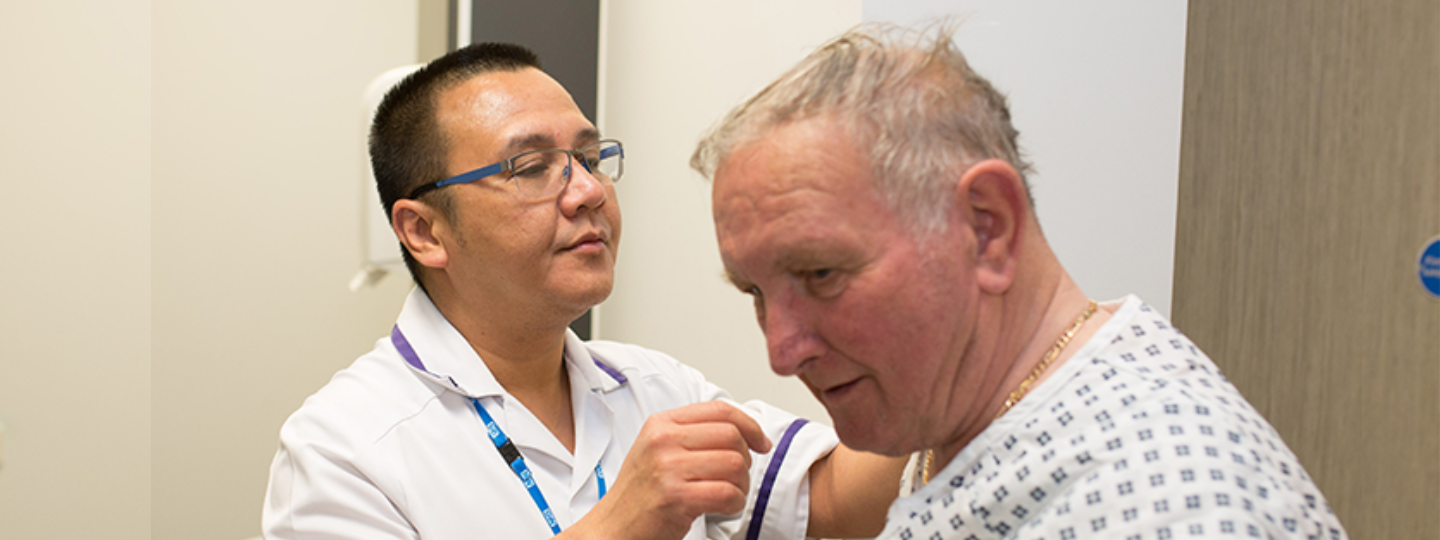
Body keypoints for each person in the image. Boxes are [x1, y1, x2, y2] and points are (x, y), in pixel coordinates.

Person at [695, 25, 1348, 540]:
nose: (781, 352)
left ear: (988, 227)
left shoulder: (1164, 507)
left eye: (821, 274)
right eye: (755, 293)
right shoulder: (967, 423)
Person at [262, 43, 899, 540]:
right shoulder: (342, 450)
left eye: (590, 158)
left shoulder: (656, 389)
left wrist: (956, 365)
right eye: (531, 167)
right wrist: (618, 527)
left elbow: (840, 496)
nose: (589, 191)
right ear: (424, 231)